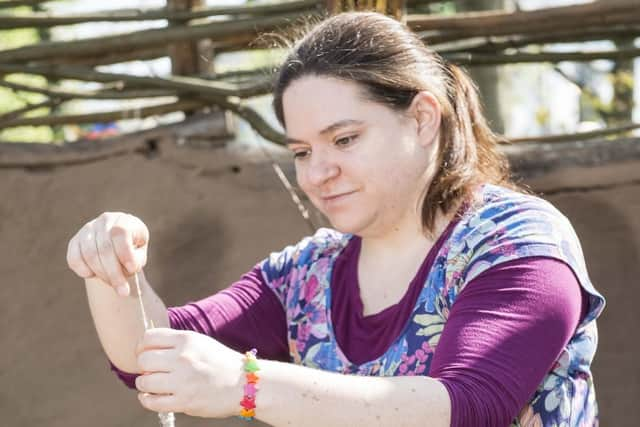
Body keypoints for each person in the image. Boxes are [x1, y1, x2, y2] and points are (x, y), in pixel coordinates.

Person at [66, 12, 605, 427]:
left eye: (345, 139)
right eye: (301, 151)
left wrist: (248, 385)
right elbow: (153, 356)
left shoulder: (517, 242)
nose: (319, 172)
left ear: (421, 118)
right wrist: (110, 269)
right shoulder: (305, 274)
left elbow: (470, 404)